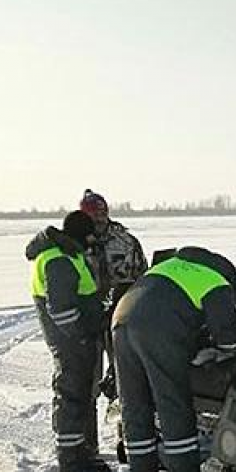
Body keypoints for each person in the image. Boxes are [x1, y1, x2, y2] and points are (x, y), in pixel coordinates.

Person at [112, 246, 236, 472]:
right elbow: (229, 340)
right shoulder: (216, 282)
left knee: (135, 402)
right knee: (172, 400)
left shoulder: (172, 266)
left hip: (121, 321)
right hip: (158, 329)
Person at [25, 211, 110, 472]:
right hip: (71, 342)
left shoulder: (68, 254)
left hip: (76, 340)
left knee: (80, 395)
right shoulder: (58, 259)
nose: (92, 242)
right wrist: (81, 334)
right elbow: (61, 310)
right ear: (80, 235)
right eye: (89, 237)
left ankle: (80, 452)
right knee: (71, 395)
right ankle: (71, 461)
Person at [79, 189, 148, 458]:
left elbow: (142, 277)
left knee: (126, 381)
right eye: (92, 214)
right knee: (86, 384)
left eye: (101, 213)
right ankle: (87, 446)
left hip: (121, 318)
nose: (98, 219)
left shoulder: (125, 241)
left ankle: (128, 438)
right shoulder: (72, 243)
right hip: (85, 322)